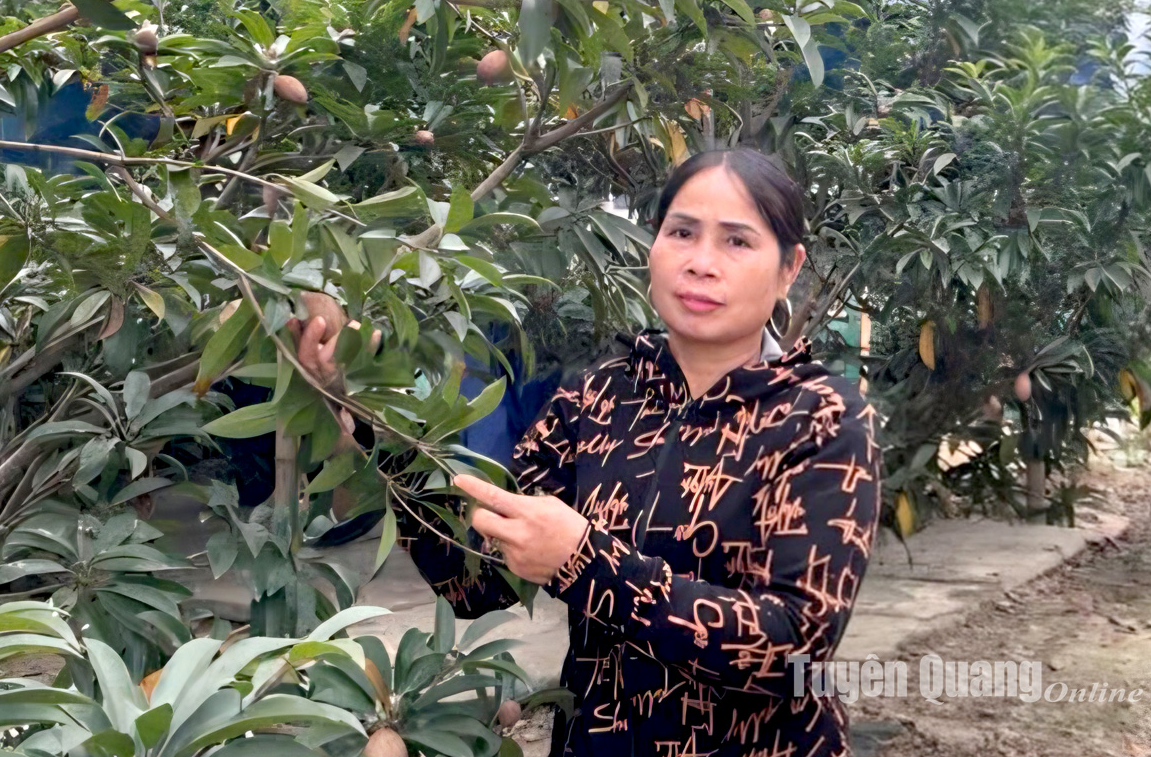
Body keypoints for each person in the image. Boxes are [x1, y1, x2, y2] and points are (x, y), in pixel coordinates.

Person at [294, 148, 881, 757]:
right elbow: (476, 581)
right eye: (682, 232)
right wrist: (372, 417)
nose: (702, 263)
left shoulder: (822, 417)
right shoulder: (595, 401)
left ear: (788, 269)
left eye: (737, 241)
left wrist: (584, 560)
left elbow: (794, 647)